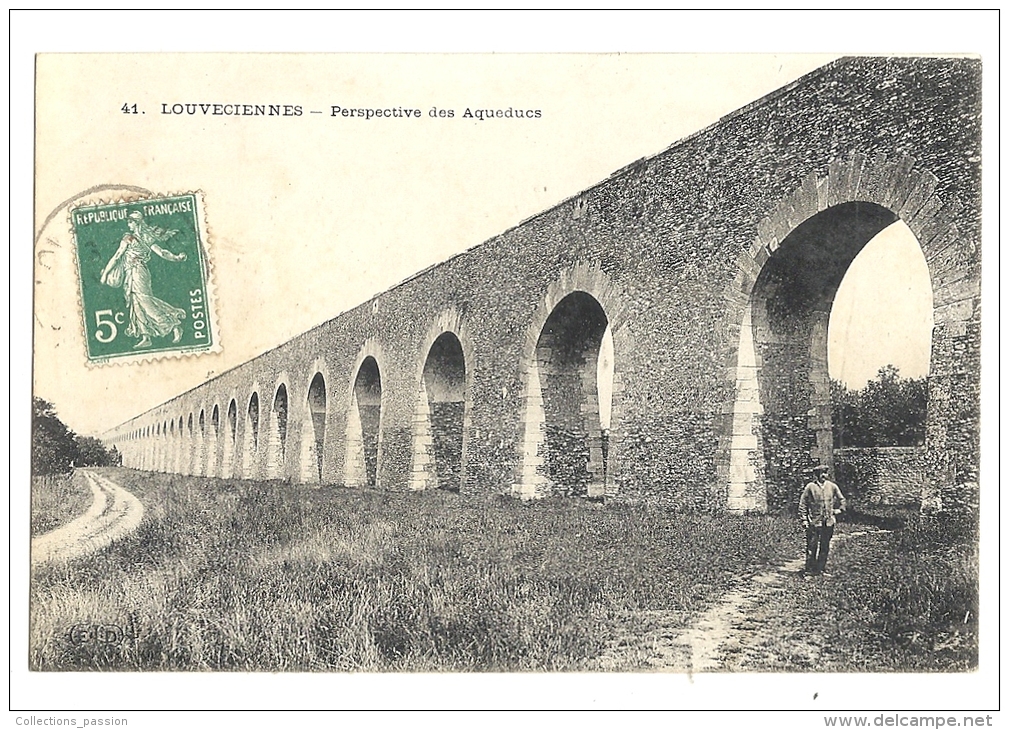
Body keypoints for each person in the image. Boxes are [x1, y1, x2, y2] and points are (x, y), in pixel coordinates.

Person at [100, 210, 187, 348]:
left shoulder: (130, 238)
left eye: (130, 222)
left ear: (137, 223)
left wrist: (105, 273)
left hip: (138, 273)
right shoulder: (146, 237)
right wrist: (175, 257)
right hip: (133, 273)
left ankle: (173, 325)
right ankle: (145, 336)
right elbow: (162, 252)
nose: (128, 225)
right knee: (136, 303)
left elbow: (117, 256)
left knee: (145, 302)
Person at [798, 465, 846, 576]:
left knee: (825, 546)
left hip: (828, 522)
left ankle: (820, 569)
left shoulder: (832, 486)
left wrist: (839, 510)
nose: (824, 475)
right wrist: (804, 520)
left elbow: (842, 499)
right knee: (812, 546)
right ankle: (809, 571)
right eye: (821, 473)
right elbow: (803, 504)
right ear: (816, 475)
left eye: (825, 473)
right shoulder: (810, 487)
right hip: (814, 522)